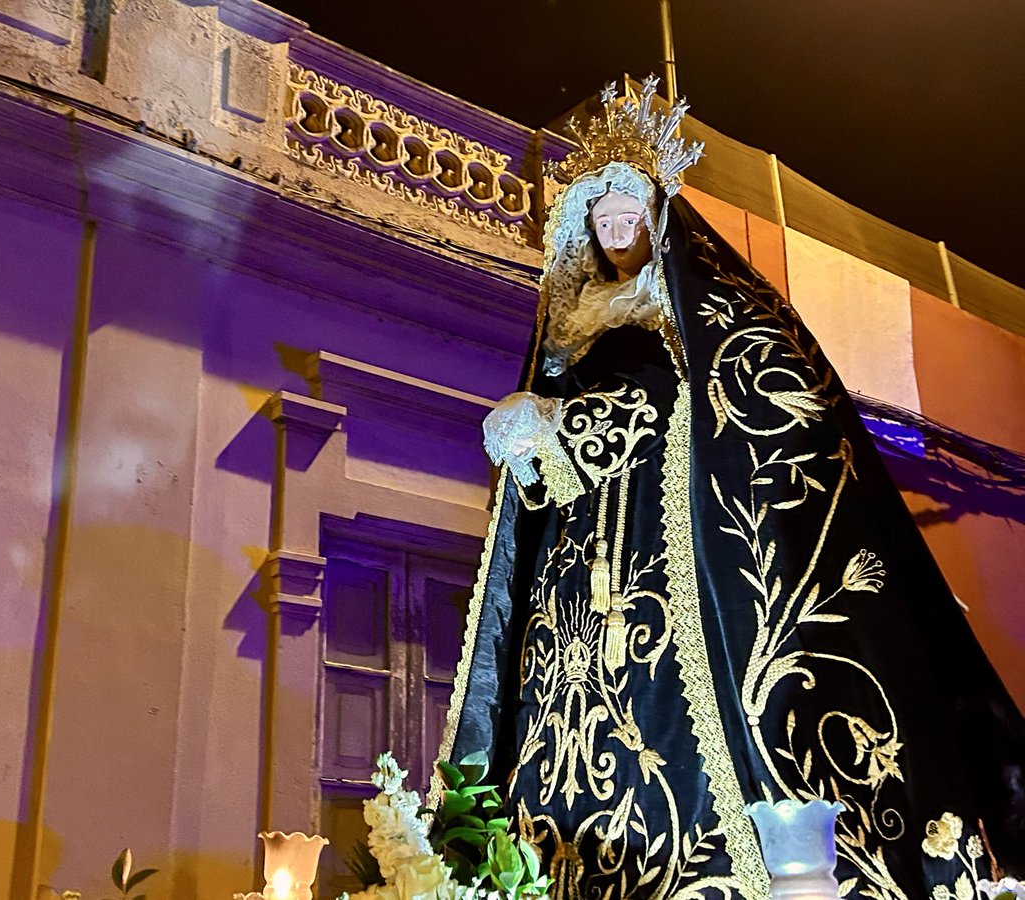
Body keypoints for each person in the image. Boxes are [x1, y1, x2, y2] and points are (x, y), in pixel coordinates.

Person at [433, 76, 1025, 900]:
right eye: (601, 223)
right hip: (577, 554)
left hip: (667, 540)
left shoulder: (701, 311)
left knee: (677, 711)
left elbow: (685, 400)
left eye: (627, 218)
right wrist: (535, 437)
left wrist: (562, 426)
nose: (615, 235)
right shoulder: (571, 326)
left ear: (656, 221)